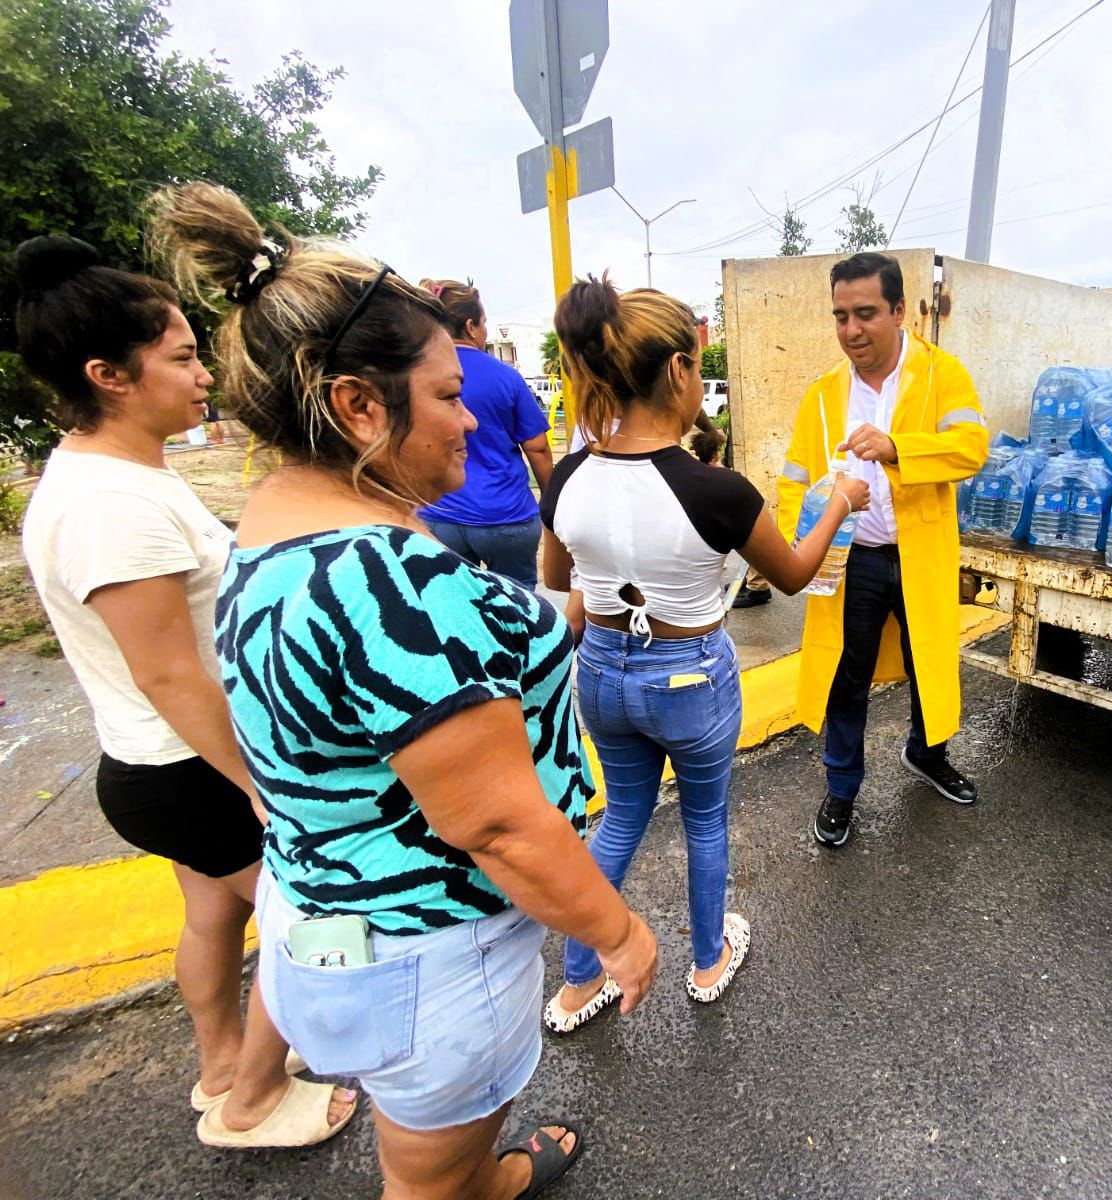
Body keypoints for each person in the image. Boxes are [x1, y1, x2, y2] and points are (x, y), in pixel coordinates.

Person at [145, 182, 659, 1198]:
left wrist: (535, 625)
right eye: (446, 394)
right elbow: (502, 826)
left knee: (436, 1146)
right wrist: (619, 933)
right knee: (422, 1178)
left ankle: (492, 1176)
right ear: (357, 405)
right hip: (433, 954)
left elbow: (384, 686)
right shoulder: (392, 582)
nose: (471, 420)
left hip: (330, 917)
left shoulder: (277, 527)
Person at [14, 235, 355, 1148]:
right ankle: (249, 1103)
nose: (203, 373)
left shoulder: (118, 477)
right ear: (110, 375)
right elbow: (171, 673)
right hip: (191, 768)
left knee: (213, 915)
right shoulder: (107, 505)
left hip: (162, 768)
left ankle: (220, 1068)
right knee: (312, 919)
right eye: (181, 356)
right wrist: (265, 786)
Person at [540, 275, 868, 1029]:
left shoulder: (569, 476)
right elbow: (791, 572)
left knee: (619, 818)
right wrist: (843, 502)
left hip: (602, 674)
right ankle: (710, 960)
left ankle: (577, 983)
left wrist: (618, 585)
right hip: (689, 679)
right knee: (703, 821)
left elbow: (559, 580)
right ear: (681, 371)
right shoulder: (716, 489)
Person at [775, 252, 988, 849]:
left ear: (899, 311)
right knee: (847, 674)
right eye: (840, 316)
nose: (851, 330)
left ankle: (927, 752)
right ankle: (841, 788)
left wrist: (896, 447)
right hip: (852, 562)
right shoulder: (822, 394)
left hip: (919, 553)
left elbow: (971, 447)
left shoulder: (942, 374)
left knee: (930, 663)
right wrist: (807, 540)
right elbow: (793, 479)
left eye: (865, 314)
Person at [416, 279, 553, 587]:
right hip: (503, 516)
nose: (486, 330)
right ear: (470, 325)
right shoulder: (505, 376)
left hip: (438, 514)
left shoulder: (417, 372)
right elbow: (538, 448)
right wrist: (549, 498)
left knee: (453, 603)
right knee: (518, 604)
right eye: (484, 323)